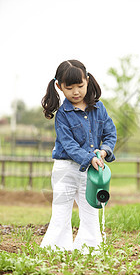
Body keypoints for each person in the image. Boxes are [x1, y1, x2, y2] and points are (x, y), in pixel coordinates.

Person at [40, 60, 117, 252]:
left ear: (88, 80)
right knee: (61, 210)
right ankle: (56, 248)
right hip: (66, 168)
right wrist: (89, 157)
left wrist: (104, 151)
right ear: (59, 87)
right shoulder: (63, 115)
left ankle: (89, 248)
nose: (76, 92)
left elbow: (110, 133)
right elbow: (69, 145)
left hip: (91, 170)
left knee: (91, 209)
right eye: (69, 87)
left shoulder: (100, 109)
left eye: (80, 85)